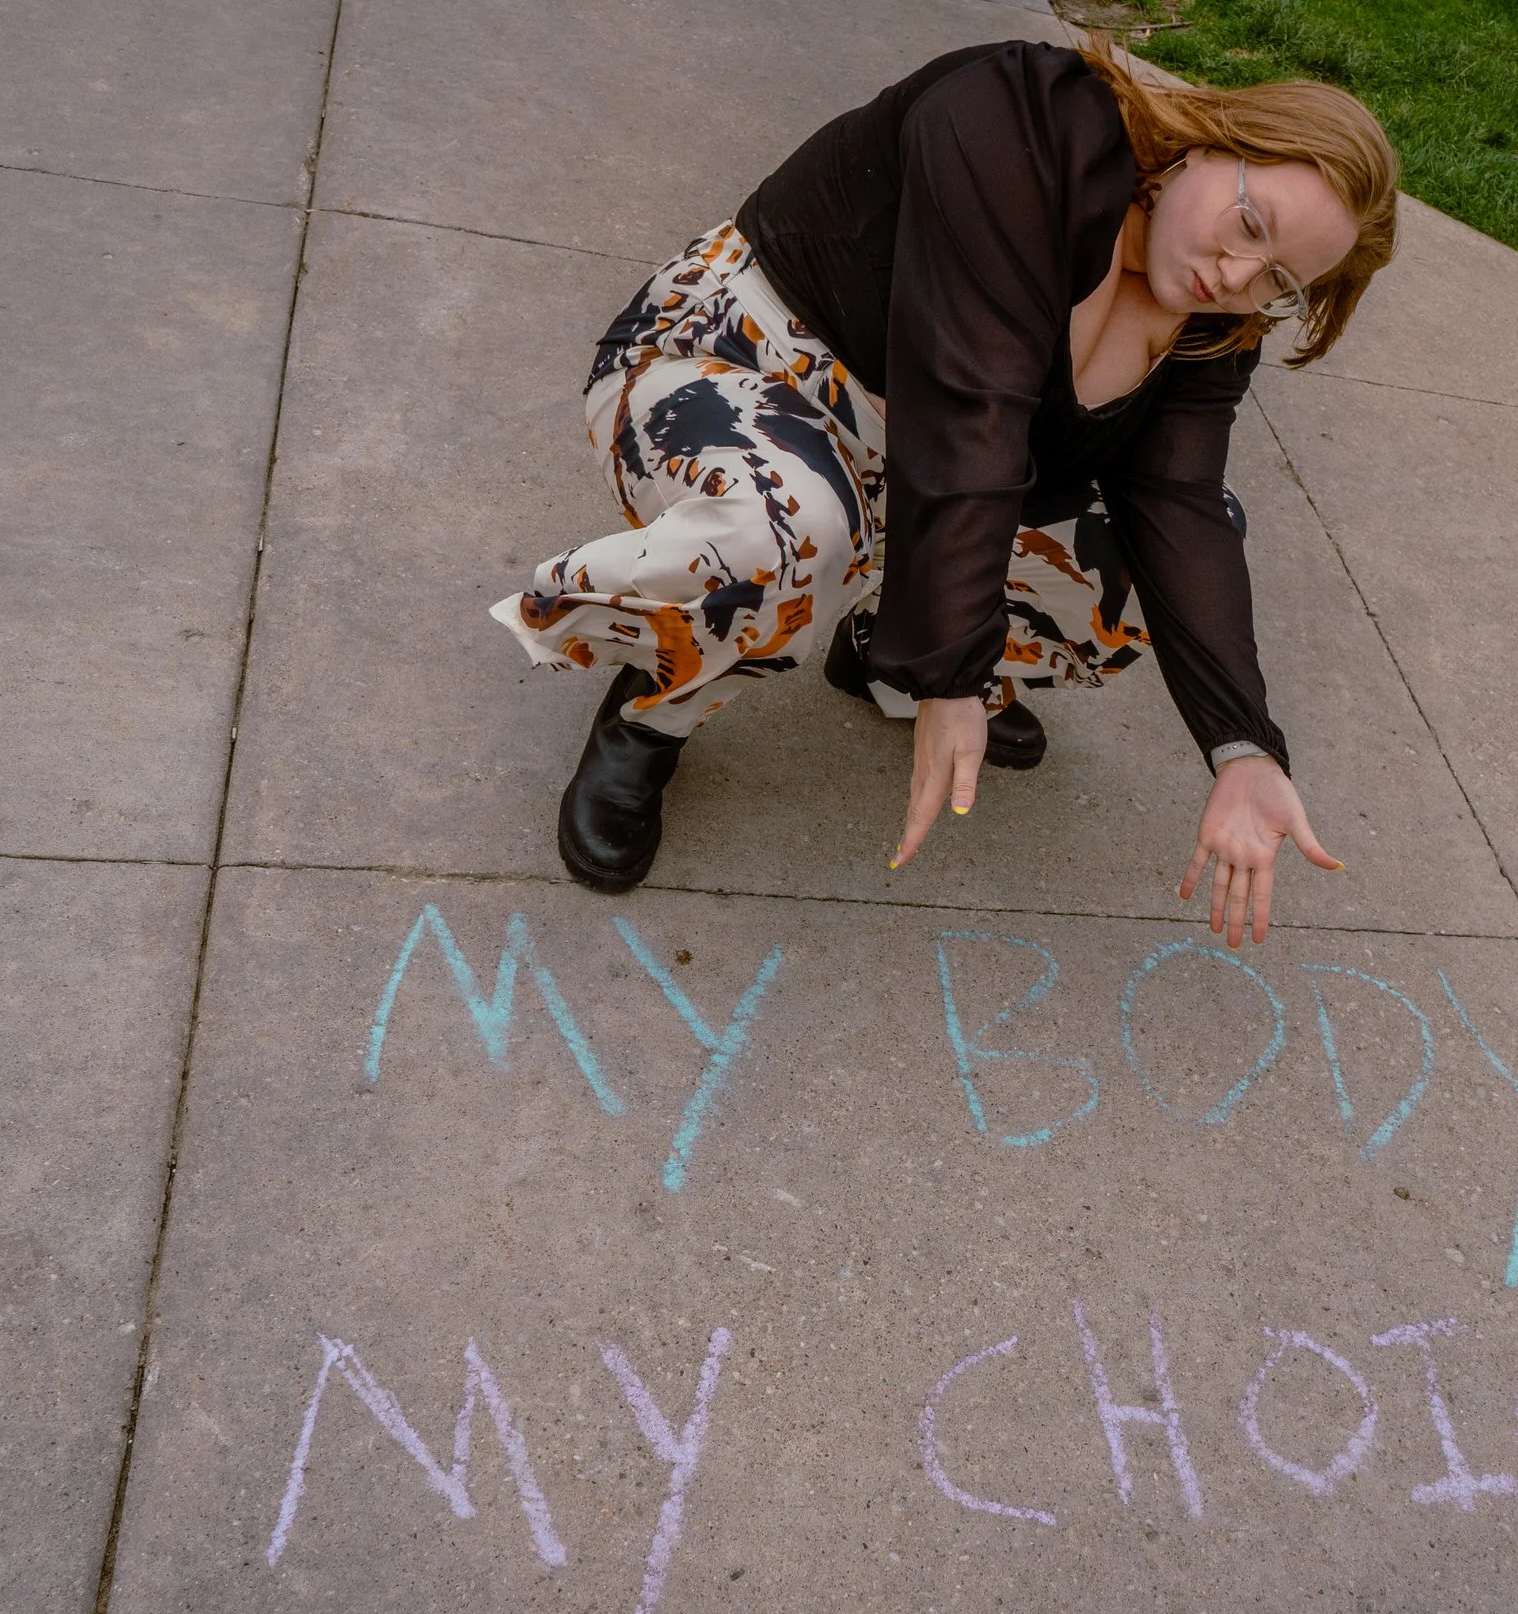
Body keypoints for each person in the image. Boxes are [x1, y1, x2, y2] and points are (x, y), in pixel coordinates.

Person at [492, 35, 1398, 947]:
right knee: (797, 526)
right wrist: (953, 676)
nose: (1239, 276)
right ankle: (656, 706)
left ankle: (880, 646)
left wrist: (1243, 747)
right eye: (1251, 225)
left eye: (1279, 281)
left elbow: (1181, 505)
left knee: (1131, 569)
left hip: (914, 461)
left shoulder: (1209, 325)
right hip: (736, 365)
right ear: (1212, 142)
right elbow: (972, 403)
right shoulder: (1025, 119)